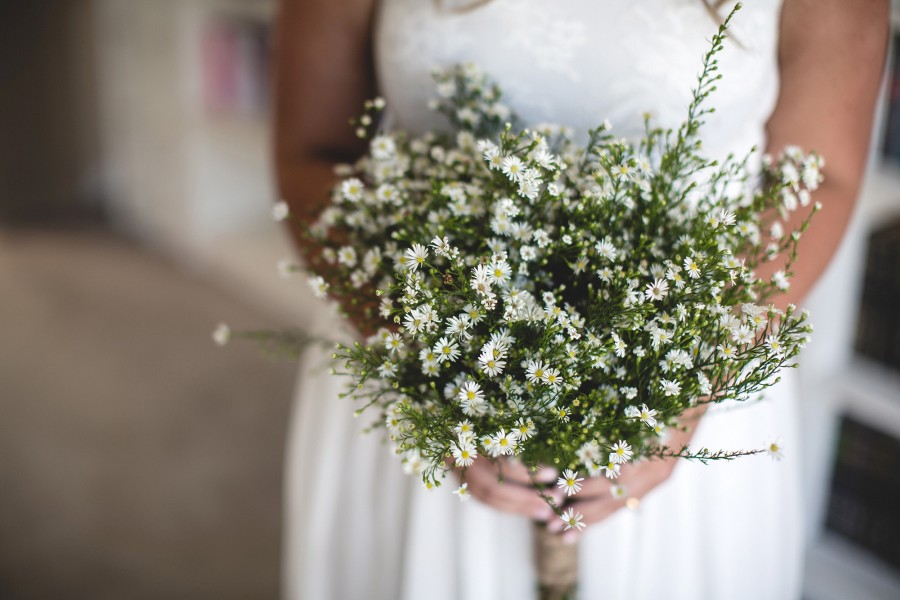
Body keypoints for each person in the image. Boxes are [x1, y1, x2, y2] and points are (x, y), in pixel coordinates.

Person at [274, 1, 888, 598]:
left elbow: (821, 174)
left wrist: (688, 381)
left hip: (684, 382)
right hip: (412, 342)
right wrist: (427, 354)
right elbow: (313, 151)